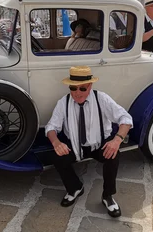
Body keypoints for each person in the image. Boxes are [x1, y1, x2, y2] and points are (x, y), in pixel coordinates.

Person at [45, 66, 133, 217]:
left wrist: (117, 140)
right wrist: (56, 142)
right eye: (73, 88)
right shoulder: (63, 103)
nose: (77, 93)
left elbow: (125, 119)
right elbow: (51, 127)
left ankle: (108, 196)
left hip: (99, 143)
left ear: (90, 86)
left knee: (113, 155)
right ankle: (75, 188)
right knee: (57, 156)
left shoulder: (101, 98)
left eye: (82, 89)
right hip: (75, 143)